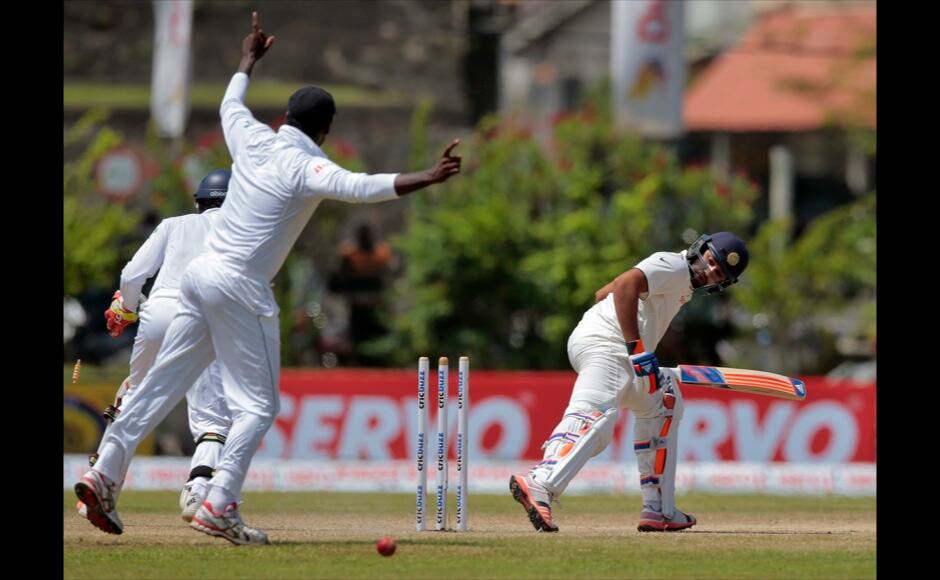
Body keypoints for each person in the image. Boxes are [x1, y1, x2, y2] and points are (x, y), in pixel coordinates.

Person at [75, 11, 462, 545]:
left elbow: (228, 103)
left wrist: (248, 59)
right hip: (238, 285)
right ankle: (219, 503)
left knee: (161, 385)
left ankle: (102, 473)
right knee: (258, 407)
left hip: (198, 274)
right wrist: (430, 175)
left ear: (285, 116)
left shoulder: (252, 139)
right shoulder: (310, 166)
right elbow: (366, 186)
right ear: (325, 131)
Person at [509, 232, 749, 533]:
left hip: (616, 349)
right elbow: (625, 285)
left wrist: (638, 349)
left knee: (665, 403)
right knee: (597, 417)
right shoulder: (674, 266)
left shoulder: (682, 285)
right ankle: (541, 482)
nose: (710, 271)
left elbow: (603, 293)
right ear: (698, 250)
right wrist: (636, 347)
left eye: (719, 273)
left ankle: (658, 509)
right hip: (608, 345)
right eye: (711, 261)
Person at [77, 170, 234, 525]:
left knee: (134, 394)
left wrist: (127, 308)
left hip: (159, 312)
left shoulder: (173, 224)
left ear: (198, 203)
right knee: (211, 415)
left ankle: (100, 477)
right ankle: (197, 491)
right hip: (204, 316)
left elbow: (132, 274)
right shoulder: (242, 229)